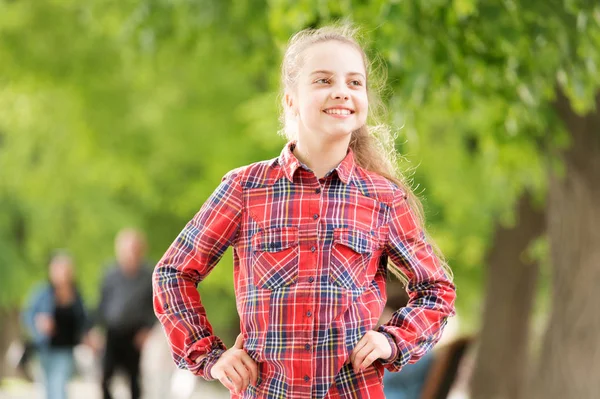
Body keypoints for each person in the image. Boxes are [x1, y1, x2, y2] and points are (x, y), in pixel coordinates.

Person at [153, 24, 456, 399]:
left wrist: (392, 341)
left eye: (354, 82)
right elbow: (173, 273)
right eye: (324, 80)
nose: (341, 91)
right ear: (290, 100)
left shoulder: (383, 199)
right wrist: (209, 356)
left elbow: (437, 290)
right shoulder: (244, 189)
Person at [96, 228, 156, 399]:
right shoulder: (110, 273)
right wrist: (97, 330)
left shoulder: (148, 275)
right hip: (112, 332)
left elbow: (155, 306)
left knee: (134, 379)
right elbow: (102, 303)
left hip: (135, 334)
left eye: (134, 249)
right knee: (105, 377)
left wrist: (147, 330)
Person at [22, 251, 91, 399]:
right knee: (47, 389)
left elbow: (83, 319)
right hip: (44, 348)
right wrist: (38, 324)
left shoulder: (76, 294)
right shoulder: (42, 293)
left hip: (65, 349)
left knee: (59, 388)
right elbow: (27, 315)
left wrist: (87, 335)